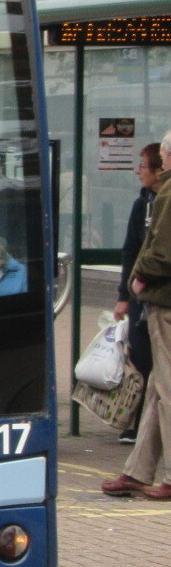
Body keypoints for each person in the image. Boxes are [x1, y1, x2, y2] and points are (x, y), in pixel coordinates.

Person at [104, 134, 171, 497]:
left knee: (167, 390)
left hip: (165, 302)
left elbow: (160, 251)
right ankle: (138, 470)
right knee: (157, 392)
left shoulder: (168, 195)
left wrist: (138, 278)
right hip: (161, 303)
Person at [114, 142, 163, 440]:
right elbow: (130, 250)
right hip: (138, 297)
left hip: (160, 295)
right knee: (139, 360)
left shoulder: (165, 202)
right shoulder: (141, 204)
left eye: (142, 166)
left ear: (159, 169)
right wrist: (124, 294)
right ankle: (135, 423)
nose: (137, 171)